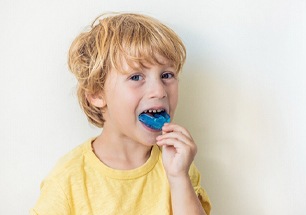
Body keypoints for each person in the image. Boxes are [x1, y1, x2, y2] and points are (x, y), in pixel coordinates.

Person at [30, 12, 211, 215]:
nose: (159, 91)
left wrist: (179, 177)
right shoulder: (67, 181)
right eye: (136, 77)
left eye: (167, 75)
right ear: (97, 93)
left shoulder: (177, 164)